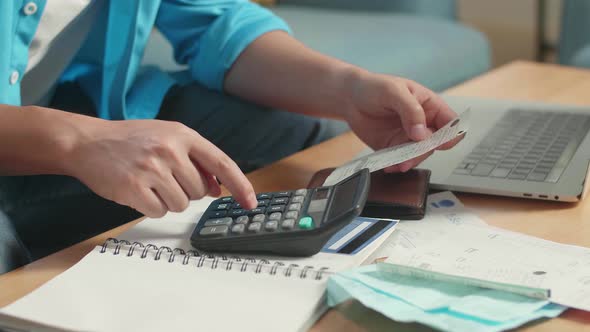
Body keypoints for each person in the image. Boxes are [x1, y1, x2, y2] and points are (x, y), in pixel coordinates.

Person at [0, 1, 461, 273]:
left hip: (62, 98)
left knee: (291, 140)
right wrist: (77, 141)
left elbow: (214, 25)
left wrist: (348, 89)